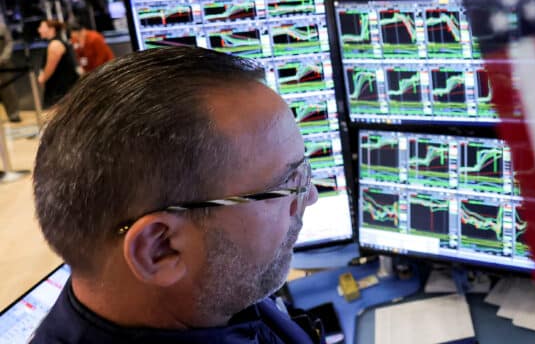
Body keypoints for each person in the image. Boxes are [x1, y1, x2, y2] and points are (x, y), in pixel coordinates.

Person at [32, 47, 321, 343]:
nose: (310, 196)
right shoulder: (220, 283)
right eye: (287, 184)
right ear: (161, 249)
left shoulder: (215, 292)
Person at [36, 20, 79, 108]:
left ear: (51, 29)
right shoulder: (53, 43)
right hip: (59, 87)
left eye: (41, 27)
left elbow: (50, 68)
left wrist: (43, 78)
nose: (39, 30)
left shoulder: (55, 44)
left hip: (63, 88)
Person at [0, 20, 21, 122]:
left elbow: (9, 43)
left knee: (8, 90)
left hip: (4, 64)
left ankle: (14, 114)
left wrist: (3, 58)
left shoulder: (2, 27)